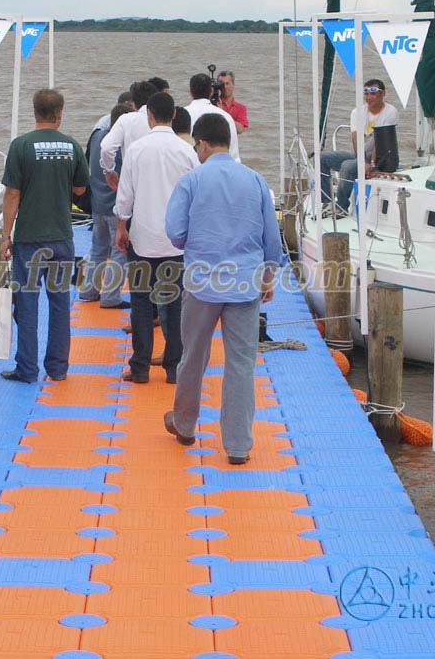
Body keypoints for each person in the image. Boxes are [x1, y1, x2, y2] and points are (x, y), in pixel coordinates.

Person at [163, 113, 284, 465]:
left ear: (201, 143)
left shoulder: (192, 181)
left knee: (193, 358)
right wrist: (268, 275)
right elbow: (271, 239)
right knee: (241, 365)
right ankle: (237, 445)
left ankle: (184, 425)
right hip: (245, 284)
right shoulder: (256, 180)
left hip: (202, 283)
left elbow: (175, 232)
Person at [0, 88, 89, 383]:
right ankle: (58, 368)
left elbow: (12, 193)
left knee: (26, 305)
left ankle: (27, 369)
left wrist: (5, 236)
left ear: (35, 111)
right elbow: (80, 190)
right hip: (61, 237)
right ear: (59, 113)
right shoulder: (72, 146)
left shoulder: (20, 146)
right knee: (60, 304)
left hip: (29, 238)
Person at [114, 92, 198, 384]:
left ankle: (140, 367)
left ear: (148, 116)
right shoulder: (187, 151)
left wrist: (121, 228)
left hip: (142, 238)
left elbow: (125, 197)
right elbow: (195, 198)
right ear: (174, 115)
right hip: (176, 242)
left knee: (140, 303)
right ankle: (174, 368)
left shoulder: (136, 150)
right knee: (173, 305)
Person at [79, 102, 132, 308]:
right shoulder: (120, 146)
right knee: (120, 251)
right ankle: (111, 296)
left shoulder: (97, 137)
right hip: (115, 206)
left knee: (98, 249)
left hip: (97, 203)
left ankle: (89, 290)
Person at [319, 78, 398, 214]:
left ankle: (342, 206)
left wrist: (370, 163)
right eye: (366, 93)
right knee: (322, 159)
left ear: (383, 94)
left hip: (383, 156)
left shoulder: (390, 112)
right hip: (362, 154)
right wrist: (362, 160)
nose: (369, 97)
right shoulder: (357, 112)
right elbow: (355, 137)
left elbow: (380, 142)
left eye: (373, 93)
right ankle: (326, 201)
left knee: (347, 166)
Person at [100, 79, 159, 189]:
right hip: (159, 180)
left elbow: (106, 147)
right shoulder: (163, 120)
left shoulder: (126, 120)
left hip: (132, 181)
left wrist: (109, 170)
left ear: (133, 103)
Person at [185, 73, 240, 161]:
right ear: (211, 91)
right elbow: (234, 156)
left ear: (190, 92)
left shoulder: (182, 115)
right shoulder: (225, 116)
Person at [217, 70, 248, 134]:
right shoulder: (213, 104)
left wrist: (222, 113)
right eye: (222, 84)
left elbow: (240, 130)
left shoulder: (240, 108)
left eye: (227, 83)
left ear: (233, 84)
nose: (225, 87)